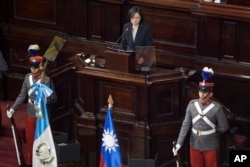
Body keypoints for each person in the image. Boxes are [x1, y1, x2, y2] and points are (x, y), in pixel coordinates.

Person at [6, 44, 57, 167]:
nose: (33, 70)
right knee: (30, 142)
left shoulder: (47, 80)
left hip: (43, 117)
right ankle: (31, 163)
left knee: (42, 142)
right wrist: (13, 109)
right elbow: (22, 95)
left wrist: (46, 100)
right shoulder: (27, 78)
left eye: (35, 67)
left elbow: (54, 98)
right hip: (30, 114)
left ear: (40, 67)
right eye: (31, 67)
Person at [172, 67, 229, 167]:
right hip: (194, 144)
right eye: (200, 92)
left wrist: (212, 134)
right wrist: (179, 143)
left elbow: (224, 127)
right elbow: (186, 125)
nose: (202, 95)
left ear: (210, 94)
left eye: (205, 93)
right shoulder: (192, 105)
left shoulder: (217, 108)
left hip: (210, 144)